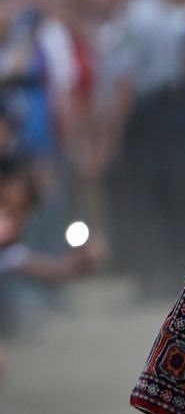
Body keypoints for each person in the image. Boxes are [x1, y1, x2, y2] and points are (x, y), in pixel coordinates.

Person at [0, 158, 103, 382]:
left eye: (20, 215)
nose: (15, 221)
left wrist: (79, 262)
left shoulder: (8, 248)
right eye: (9, 209)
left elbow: (49, 271)